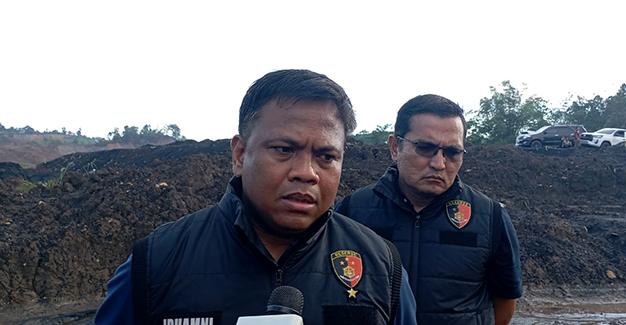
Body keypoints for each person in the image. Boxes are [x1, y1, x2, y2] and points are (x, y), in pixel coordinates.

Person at [95, 69, 417, 325]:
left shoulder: (381, 268)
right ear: (239, 154)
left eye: (326, 156)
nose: (306, 173)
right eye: (284, 149)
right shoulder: (156, 262)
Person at [336, 94, 522, 325]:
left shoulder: (490, 217)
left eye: (452, 152)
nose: (439, 163)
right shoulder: (352, 211)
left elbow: (505, 299)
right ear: (394, 147)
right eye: (425, 148)